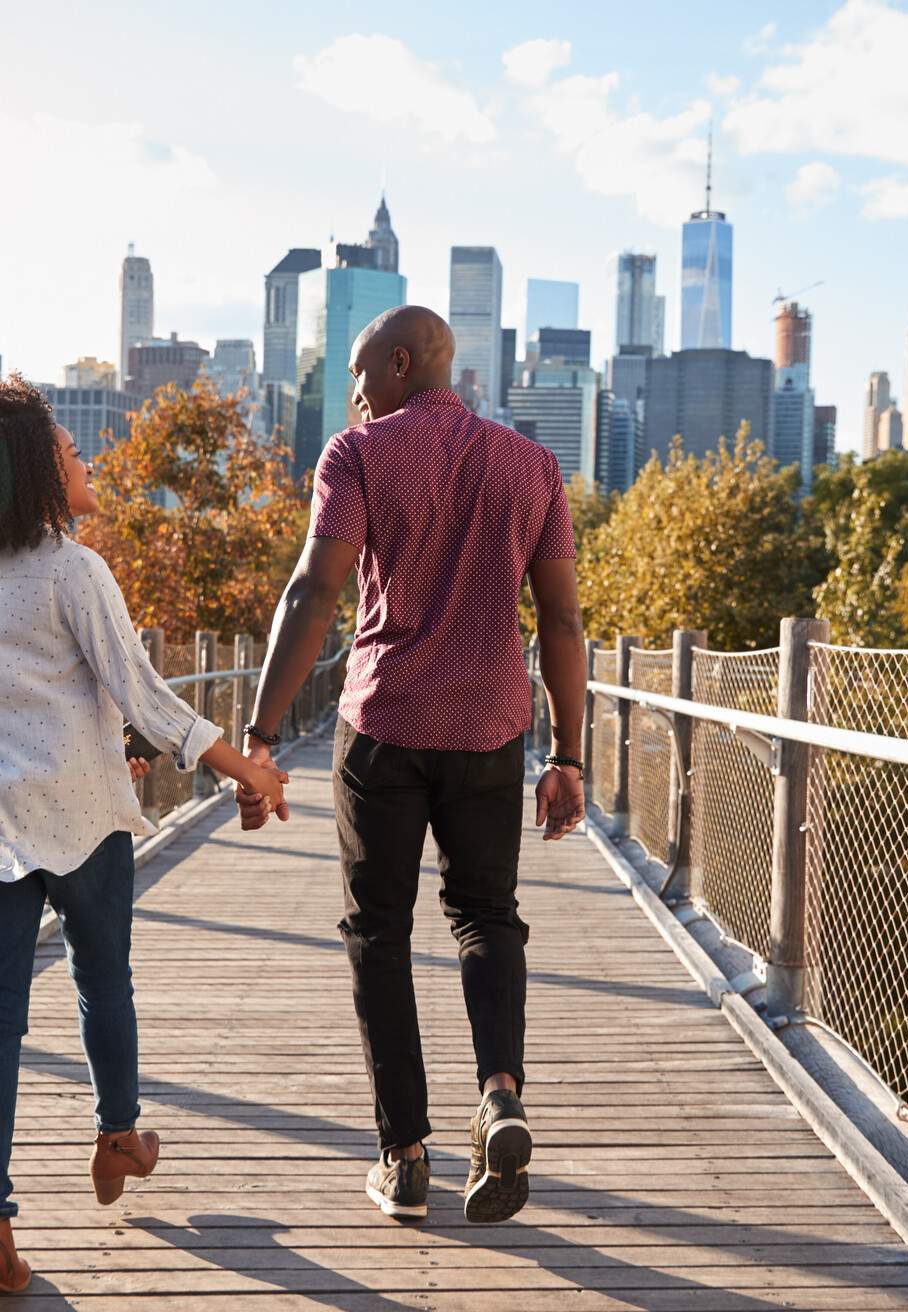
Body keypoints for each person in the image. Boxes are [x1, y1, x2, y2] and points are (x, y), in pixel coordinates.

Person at [0, 375, 289, 1310]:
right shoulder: (73, 568)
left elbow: (31, 693)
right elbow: (142, 690)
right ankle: (118, 1135)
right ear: (39, 470)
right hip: (79, 824)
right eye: (74, 452)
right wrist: (246, 768)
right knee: (101, 981)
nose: (89, 462)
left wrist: (109, 740)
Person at [236, 306, 588, 1223]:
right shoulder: (534, 465)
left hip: (385, 725)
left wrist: (262, 735)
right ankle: (501, 1093)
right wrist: (569, 754)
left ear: (401, 364)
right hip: (489, 729)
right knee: (486, 918)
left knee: (377, 931)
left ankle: (404, 1154)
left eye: (358, 374)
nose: (352, 395)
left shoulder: (356, 457)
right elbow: (561, 620)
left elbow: (316, 590)